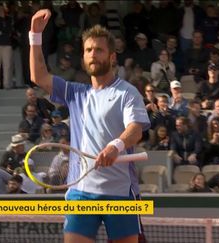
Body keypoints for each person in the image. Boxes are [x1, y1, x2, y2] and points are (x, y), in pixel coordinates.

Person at [29, 10, 150, 243]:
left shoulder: (126, 92)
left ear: (112, 57)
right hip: (80, 193)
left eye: (99, 50)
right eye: (88, 50)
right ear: (83, 57)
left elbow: (135, 130)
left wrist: (115, 146)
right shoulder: (75, 93)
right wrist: (35, 35)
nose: (93, 54)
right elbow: (39, 76)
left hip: (120, 194)